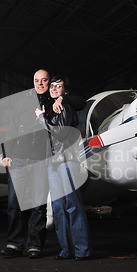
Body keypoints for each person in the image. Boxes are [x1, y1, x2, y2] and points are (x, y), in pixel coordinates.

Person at [35, 75, 91, 260]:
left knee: (72, 206)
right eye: (52, 86)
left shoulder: (65, 106)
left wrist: (43, 121)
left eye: (58, 87)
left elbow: (59, 134)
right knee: (58, 208)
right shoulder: (50, 109)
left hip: (67, 161)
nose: (53, 88)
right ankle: (66, 249)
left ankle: (81, 250)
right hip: (53, 163)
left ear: (64, 91)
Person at [0, 69, 52, 259]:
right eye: (37, 80)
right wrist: (6, 154)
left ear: (49, 82)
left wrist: (62, 99)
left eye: (44, 80)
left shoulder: (54, 102)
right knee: (15, 204)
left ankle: (35, 245)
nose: (40, 84)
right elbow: (12, 129)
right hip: (19, 159)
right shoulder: (22, 103)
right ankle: (14, 243)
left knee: (39, 205)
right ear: (33, 82)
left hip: (41, 160)